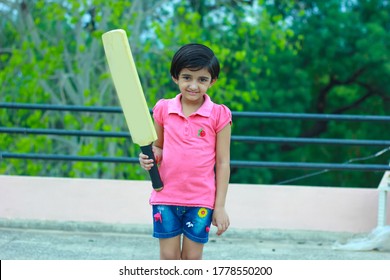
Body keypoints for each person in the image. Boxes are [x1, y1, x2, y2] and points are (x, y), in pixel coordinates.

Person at [139, 43, 232, 260]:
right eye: (187, 77)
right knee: (169, 258)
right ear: (175, 77)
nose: (193, 85)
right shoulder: (163, 109)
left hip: (201, 200)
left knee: (191, 260)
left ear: (213, 81)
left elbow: (223, 163)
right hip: (166, 197)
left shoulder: (219, 115)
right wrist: (148, 158)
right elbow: (158, 147)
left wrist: (220, 207)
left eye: (202, 79)